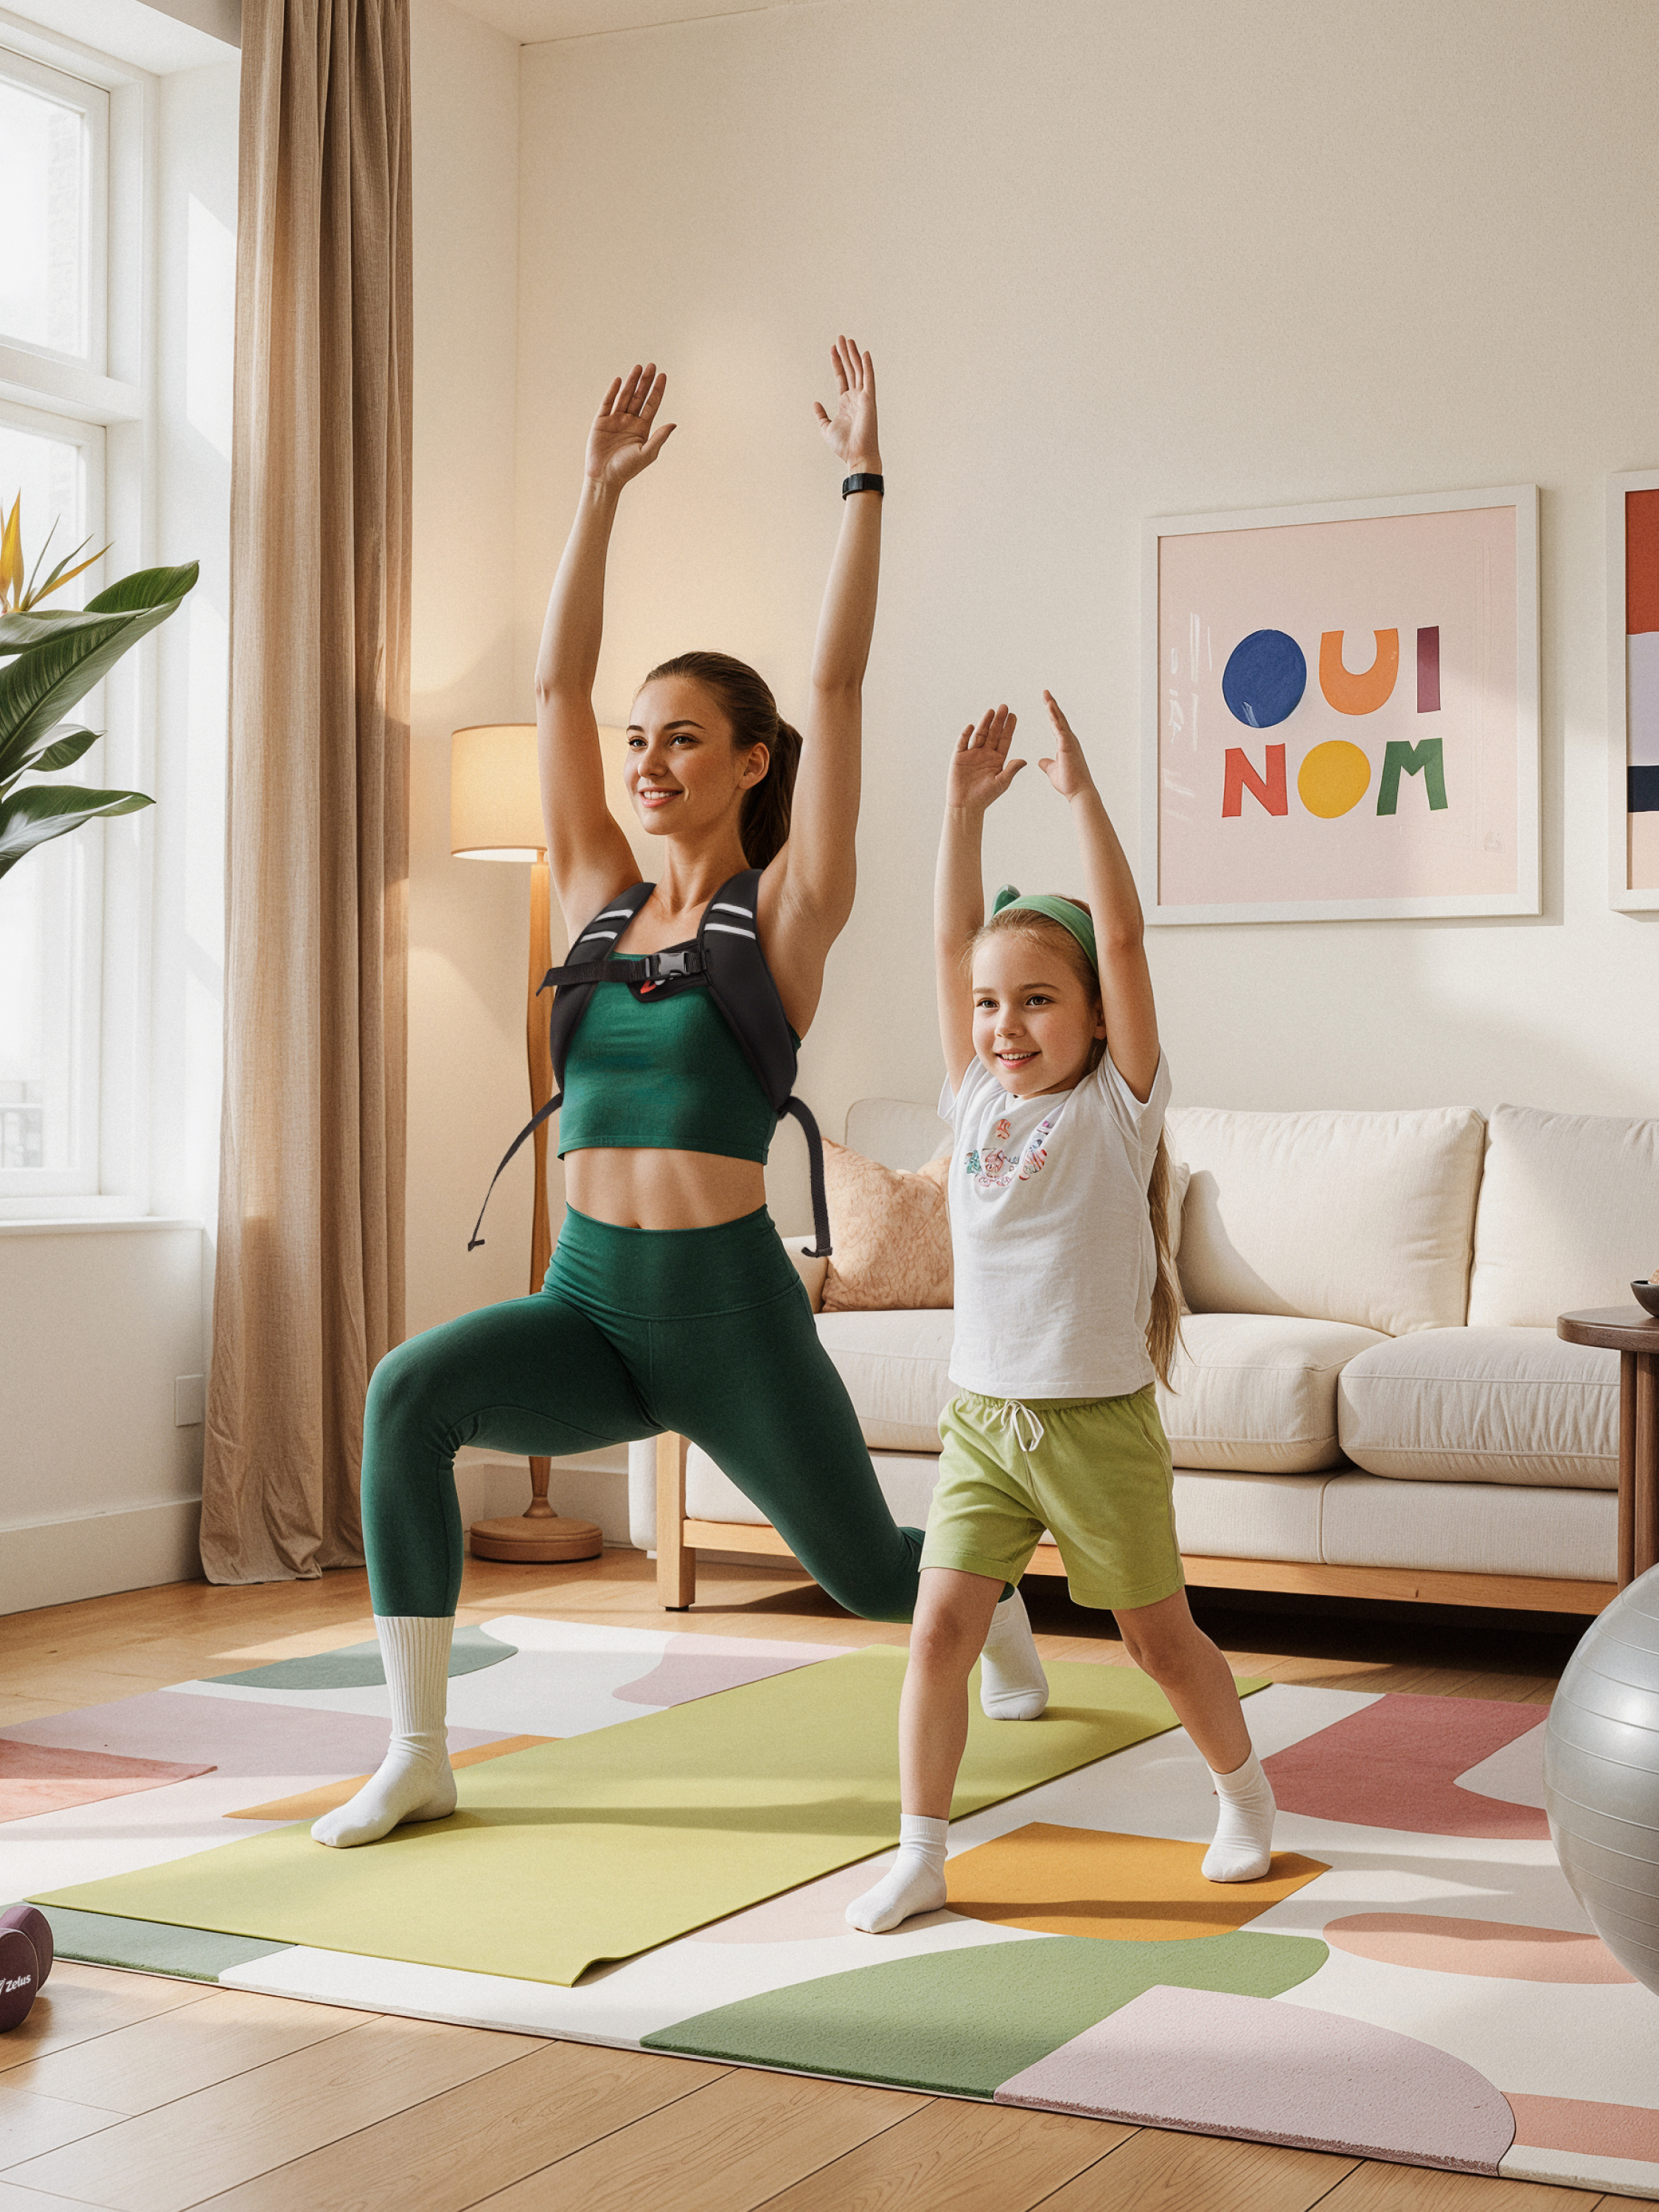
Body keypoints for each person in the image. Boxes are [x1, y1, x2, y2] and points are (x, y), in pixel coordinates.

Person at [314, 341, 1043, 1851]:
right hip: (586, 1302)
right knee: (407, 1393)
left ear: (750, 762)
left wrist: (862, 480)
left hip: (728, 1319)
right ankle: (420, 1748)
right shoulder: (590, 900)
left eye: (682, 741)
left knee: (856, 1571)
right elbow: (553, 681)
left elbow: (838, 680)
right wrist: (594, 494)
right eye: (638, 743)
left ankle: (997, 1601)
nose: (645, 763)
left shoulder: (784, 919)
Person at [845, 694, 1276, 1932]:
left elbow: (1128, 940)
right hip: (983, 1419)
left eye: (1037, 1001)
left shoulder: (1114, 1108)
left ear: (1092, 1013)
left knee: (1156, 1642)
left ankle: (1241, 1795)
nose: (1004, 1025)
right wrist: (958, 813)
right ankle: (921, 1848)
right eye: (992, 1005)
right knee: (935, 1637)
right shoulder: (974, 1100)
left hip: (1094, 1423)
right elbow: (945, 943)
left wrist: (1082, 798)